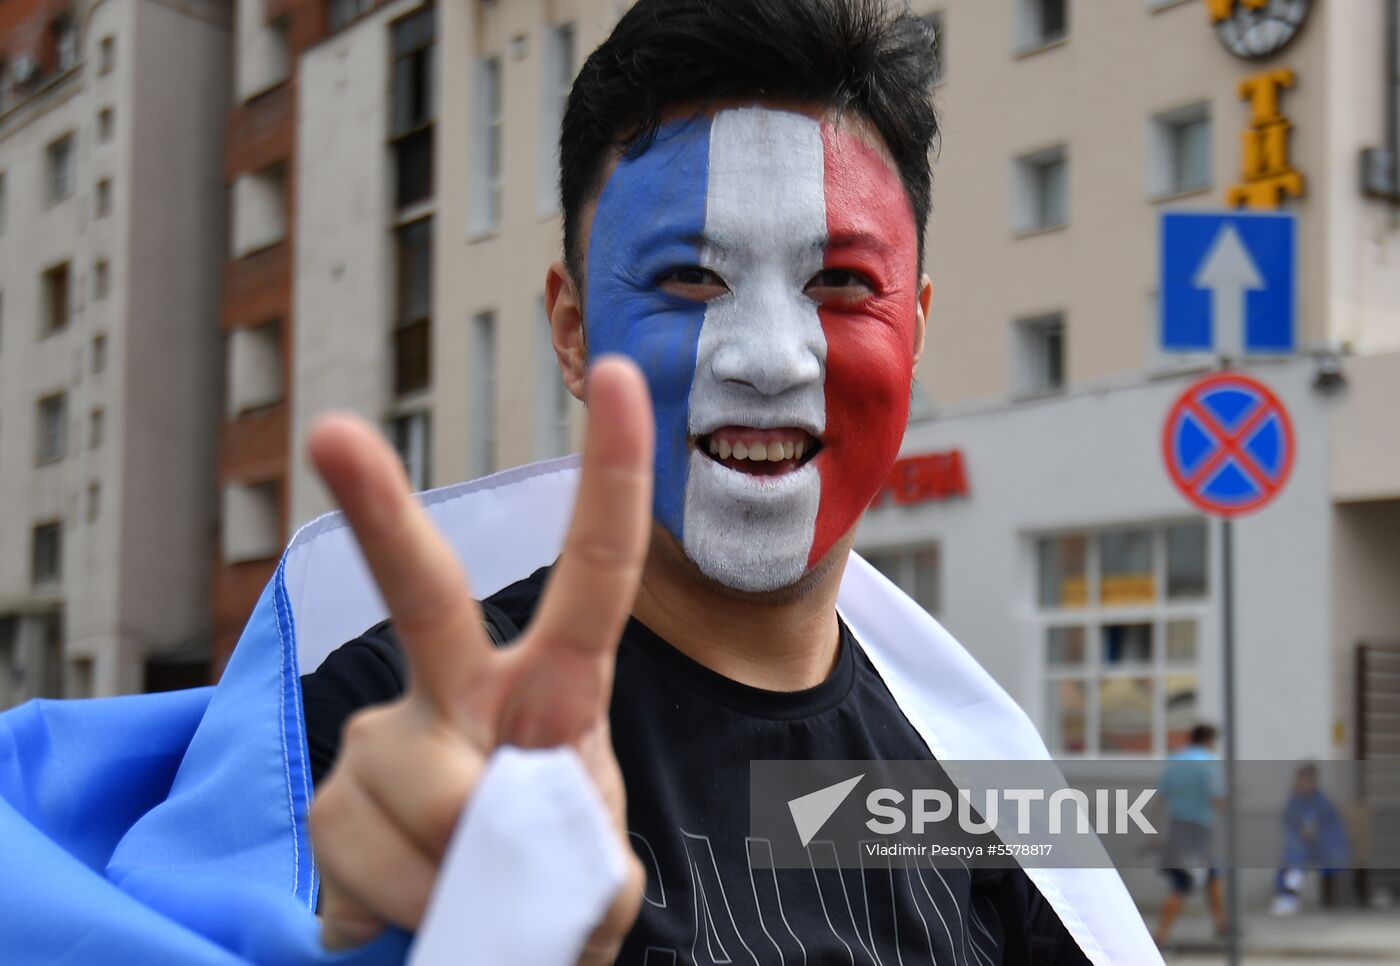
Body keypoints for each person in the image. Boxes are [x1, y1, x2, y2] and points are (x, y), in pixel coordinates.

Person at [0, 1, 1160, 962]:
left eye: (841, 284)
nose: (766, 357)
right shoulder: (393, 729)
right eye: (690, 278)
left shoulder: (987, 801)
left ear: (913, 328)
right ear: (570, 327)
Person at [1154, 724, 1228, 948]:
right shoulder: (1209, 763)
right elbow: (1216, 797)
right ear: (1208, 740)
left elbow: (1161, 797)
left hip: (1178, 827)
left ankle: (1222, 925)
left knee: (1212, 876)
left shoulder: (1177, 761)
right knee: (1182, 882)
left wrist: (1153, 832)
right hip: (1198, 830)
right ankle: (1160, 935)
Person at [1270, 763, 1350, 915]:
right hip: (1304, 847)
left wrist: (1312, 832)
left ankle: (1289, 896)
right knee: (1291, 855)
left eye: (1303, 781)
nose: (1299, 784)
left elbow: (1328, 829)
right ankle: (1287, 895)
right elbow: (1288, 822)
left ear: (1311, 782)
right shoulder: (1295, 799)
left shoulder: (1322, 801)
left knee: (1294, 854)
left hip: (1326, 847)